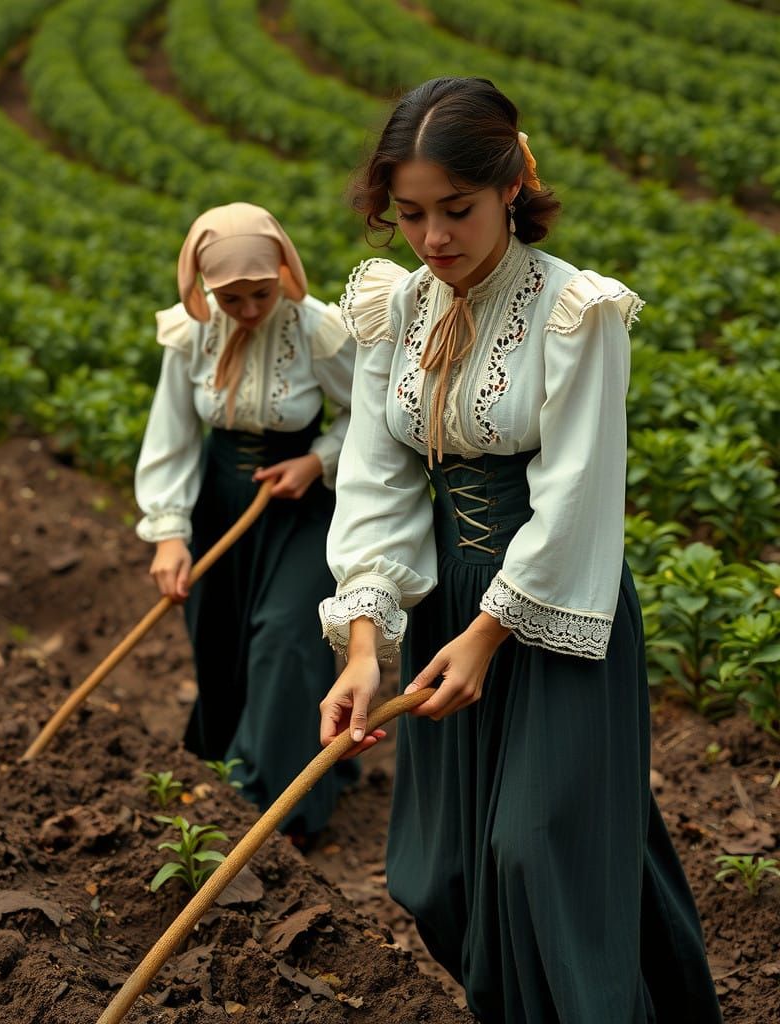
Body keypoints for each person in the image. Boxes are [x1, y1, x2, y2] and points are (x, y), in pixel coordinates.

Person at [317, 78, 721, 1022]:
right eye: (410, 214)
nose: (432, 240)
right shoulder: (396, 310)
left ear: (510, 187)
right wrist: (370, 644)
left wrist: (493, 633)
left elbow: (579, 494)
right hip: (451, 602)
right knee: (438, 877)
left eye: (455, 210)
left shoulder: (576, 311)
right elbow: (376, 479)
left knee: (538, 852)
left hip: (555, 606)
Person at [135, 202, 358, 839]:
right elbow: (172, 433)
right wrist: (170, 532)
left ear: (284, 272)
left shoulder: (317, 331)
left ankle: (269, 807)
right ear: (204, 289)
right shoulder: (191, 331)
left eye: (260, 293)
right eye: (231, 298)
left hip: (300, 505)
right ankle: (236, 762)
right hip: (220, 497)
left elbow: (366, 414)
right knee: (220, 638)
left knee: (284, 636)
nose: (250, 310)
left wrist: (316, 461)